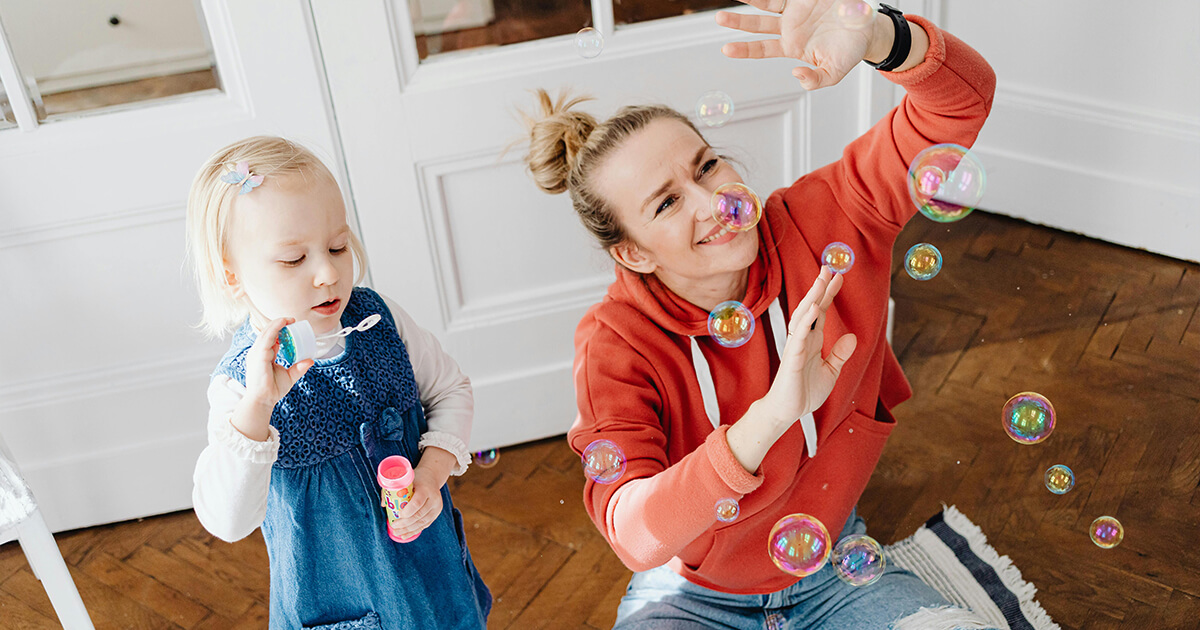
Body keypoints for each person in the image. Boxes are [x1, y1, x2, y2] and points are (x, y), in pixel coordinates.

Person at [524, 0, 997, 627]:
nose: (714, 201)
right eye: (667, 204)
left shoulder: (826, 218)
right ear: (632, 252)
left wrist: (884, 34)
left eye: (707, 166)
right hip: (690, 594)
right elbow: (634, 533)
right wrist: (774, 415)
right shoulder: (615, 344)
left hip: (835, 569)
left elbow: (959, 103)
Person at [186, 136, 490, 629]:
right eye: (293, 260)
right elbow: (228, 520)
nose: (328, 272)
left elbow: (451, 390)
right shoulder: (241, 387)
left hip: (429, 574)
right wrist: (258, 408)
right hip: (339, 605)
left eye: (337, 246)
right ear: (232, 276)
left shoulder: (379, 319)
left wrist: (431, 475)